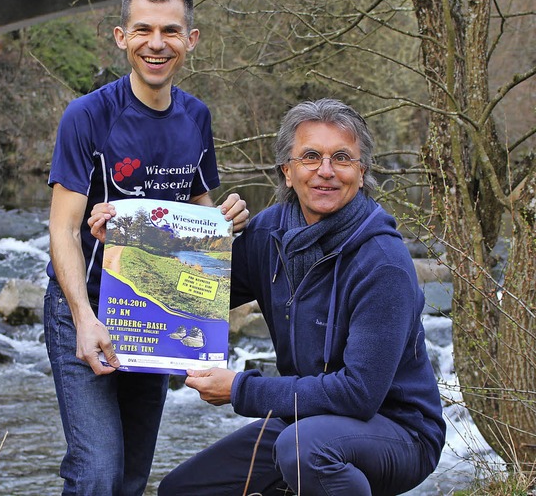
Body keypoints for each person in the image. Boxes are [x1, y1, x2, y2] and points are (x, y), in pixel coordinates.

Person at [157, 99, 446, 496]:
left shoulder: (383, 263)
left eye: (341, 158)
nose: (325, 171)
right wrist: (126, 240)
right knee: (183, 490)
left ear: (361, 174)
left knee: (304, 450)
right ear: (287, 172)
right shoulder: (267, 234)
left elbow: (359, 395)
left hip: (399, 432)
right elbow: (193, 290)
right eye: (310, 156)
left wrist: (240, 388)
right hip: (306, 420)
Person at [44, 0, 248, 496]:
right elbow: (63, 229)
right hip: (85, 307)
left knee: (132, 476)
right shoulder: (87, 117)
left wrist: (226, 220)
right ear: (121, 36)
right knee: (96, 471)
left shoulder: (197, 117)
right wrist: (84, 320)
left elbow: (196, 212)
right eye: (143, 30)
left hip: (156, 308)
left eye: (170, 31)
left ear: (191, 40)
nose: (156, 43)